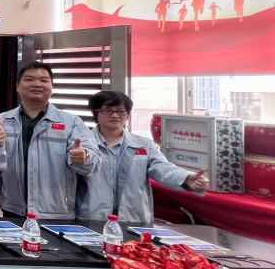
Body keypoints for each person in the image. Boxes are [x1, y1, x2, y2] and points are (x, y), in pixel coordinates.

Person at [0, 61, 99, 219]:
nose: (37, 84)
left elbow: (93, 162)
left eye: (44, 80)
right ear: (17, 86)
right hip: (13, 209)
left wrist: (84, 157)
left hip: (56, 212)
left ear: (52, 86)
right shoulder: (0, 121)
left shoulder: (72, 123)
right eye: (29, 79)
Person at [76, 91, 208, 223]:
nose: (115, 115)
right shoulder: (83, 145)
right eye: (108, 110)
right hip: (92, 217)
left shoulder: (144, 145)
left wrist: (186, 178)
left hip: (134, 218)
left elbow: (163, 168)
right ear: (95, 113)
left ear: (127, 115)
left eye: (121, 111)